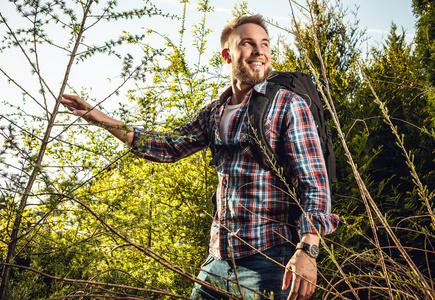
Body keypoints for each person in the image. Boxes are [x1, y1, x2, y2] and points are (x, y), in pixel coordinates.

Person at [61, 14, 339, 300]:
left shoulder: (287, 104)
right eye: (248, 43)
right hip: (217, 263)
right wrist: (98, 118)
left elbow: (314, 183)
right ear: (227, 56)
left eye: (265, 44)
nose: (259, 51)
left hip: (269, 260)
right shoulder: (214, 112)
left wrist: (307, 250)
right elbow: (167, 146)